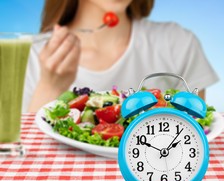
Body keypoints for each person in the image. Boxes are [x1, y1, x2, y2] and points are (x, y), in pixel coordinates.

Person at [23, 0, 218, 113]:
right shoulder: (27, 54)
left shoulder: (178, 43)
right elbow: (20, 155)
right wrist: (50, 87)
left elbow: (197, 129)